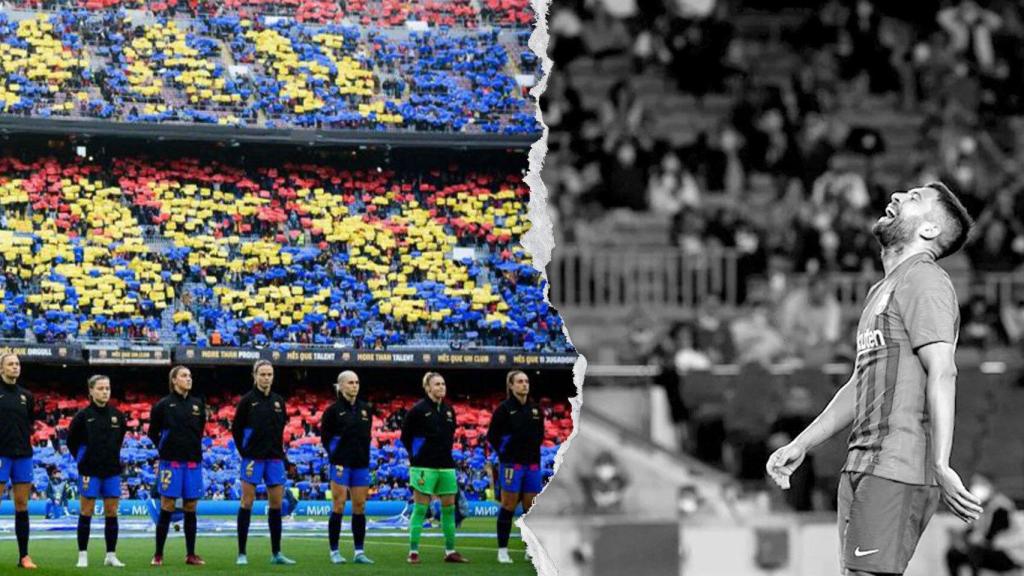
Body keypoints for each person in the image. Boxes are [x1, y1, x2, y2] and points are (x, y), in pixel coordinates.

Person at [766, 182, 983, 576]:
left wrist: (941, 462)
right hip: (863, 462)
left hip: (898, 464)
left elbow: (943, 369)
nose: (899, 196)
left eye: (915, 198)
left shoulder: (926, 280)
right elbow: (860, 382)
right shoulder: (881, 291)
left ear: (930, 230)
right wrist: (803, 443)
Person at [231, 360, 295, 565]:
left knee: (276, 505)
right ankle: (242, 553)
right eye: (263, 374)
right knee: (246, 502)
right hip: (252, 459)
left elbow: (280, 432)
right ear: (255, 376)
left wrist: (284, 458)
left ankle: (276, 553)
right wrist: (245, 452)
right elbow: (236, 430)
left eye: (270, 374)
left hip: (275, 459)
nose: (266, 378)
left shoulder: (279, 401)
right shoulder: (247, 401)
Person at [401, 372, 469, 564]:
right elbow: (406, 437)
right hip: (424, 466)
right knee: (421, 509)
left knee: (449, 509)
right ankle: (413, 552)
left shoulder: (449, 411)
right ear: (428, 388)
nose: (441, 387)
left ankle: (450, 551)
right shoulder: (417, 410)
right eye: (437, 384)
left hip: (446, 466)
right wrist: (416, 457)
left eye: (443, 384)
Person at [147, 365, 207, 566]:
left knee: (191, 506)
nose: (188, 379)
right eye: (184, 375)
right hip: (170, 464)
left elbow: (200, 431)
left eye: (190, 375)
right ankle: (158, 554)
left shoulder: (198, 405)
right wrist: (165, 450)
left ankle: (191, 554)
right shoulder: (163, 405)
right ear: (174, 380)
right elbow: (152, 433)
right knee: (167, 506)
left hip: (192, 463)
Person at [66, 375, 128, 568]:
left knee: (112, 512)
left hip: (111, 470)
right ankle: (82, 555)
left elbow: (118, 441)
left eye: (107, 388)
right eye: (100, 388)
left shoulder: (118, 416)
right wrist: (84, 459)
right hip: (89, 471)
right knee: (87, 511)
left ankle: (111, 554)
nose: (105, 392)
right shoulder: (83, 416)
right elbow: (71, 442)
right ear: (91, 391)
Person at [487, 370, 544, 564]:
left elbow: (540, 435)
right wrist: (506, 454)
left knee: (531, 507)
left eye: (526, 381)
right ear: (511, 386)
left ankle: (530, 548)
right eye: (520, 381)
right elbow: (492, 436)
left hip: (533, 465)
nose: (524, 384)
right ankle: (502, 550)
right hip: (512, 465)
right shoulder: (504, 409)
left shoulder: (536, 409)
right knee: (509, 505)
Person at [319, 370, 375, 565]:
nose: (354, 386)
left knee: (360, 506)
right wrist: (336, 455)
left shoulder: (366, 409)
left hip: (361, 464)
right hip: (341, 464)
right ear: (341, 386)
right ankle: (334, 551)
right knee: (339, 505)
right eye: (350, 382)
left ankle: (359, 551)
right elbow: (325, 438)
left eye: (357, 382)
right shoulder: (332, 411)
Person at [946, 473, 1023, 576]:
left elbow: (991, 536)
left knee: (975, 552)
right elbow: (974, 530)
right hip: (988, 550)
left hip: (1008, 554)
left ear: (991, 486)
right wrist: (960, 537)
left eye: (981, 484)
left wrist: (971, 541)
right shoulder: (981, 507)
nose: (976, 487)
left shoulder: (1001, 507)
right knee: (953, 554)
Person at [0, 353, 37, 569]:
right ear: (1, 369)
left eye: (17, 364)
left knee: (22, 505)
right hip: (1, 455)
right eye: (10, 364)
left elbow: (29, 422)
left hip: (23, 455)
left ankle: (24, 556)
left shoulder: (27, 396)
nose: (15, 367)